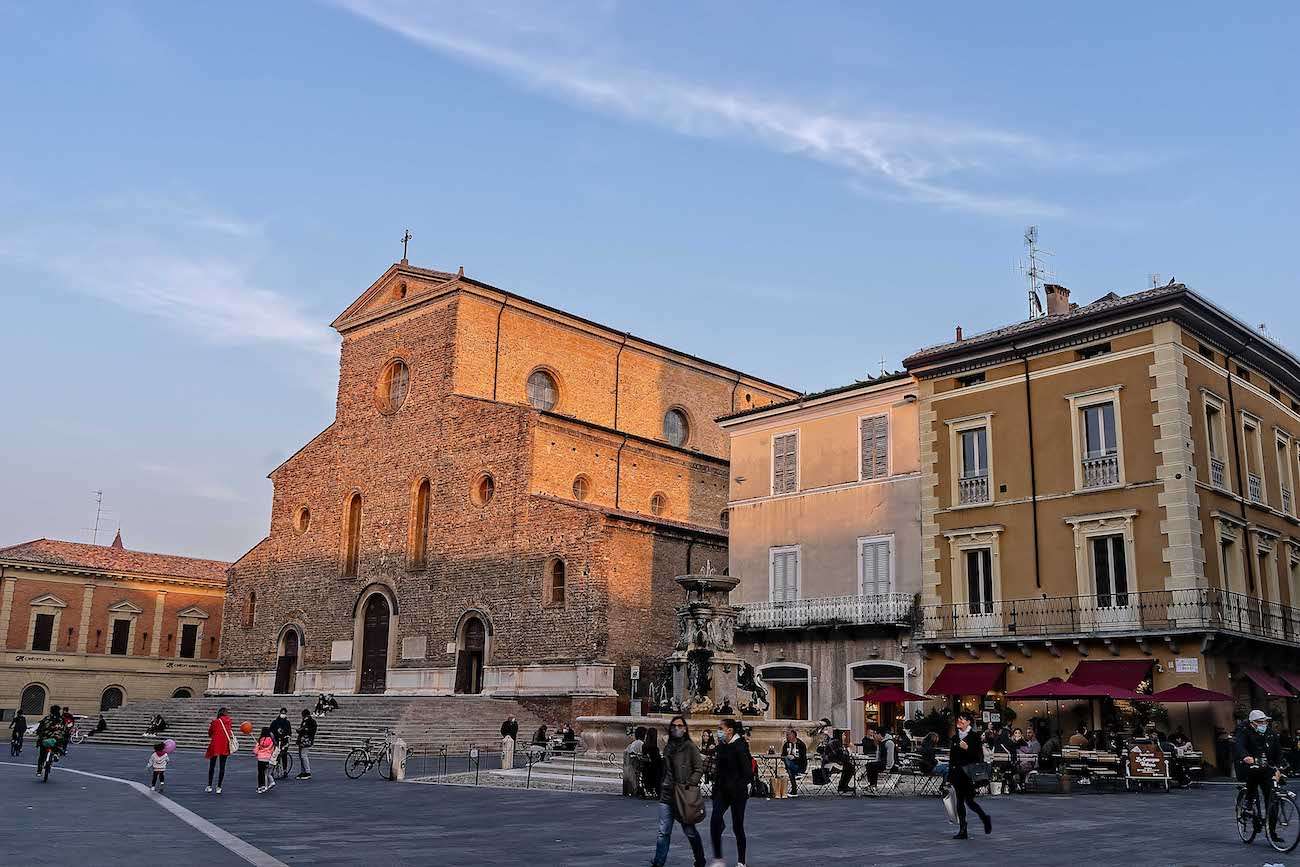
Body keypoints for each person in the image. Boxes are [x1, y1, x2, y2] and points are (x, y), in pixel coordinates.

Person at [651, 716, 706, 867]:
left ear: (685, 728)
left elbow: (699, 768)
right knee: (664, 831)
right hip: (667, 794)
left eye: (680, 726)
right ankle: (658, 862)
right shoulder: (668, 747)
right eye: (674, 726)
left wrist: (690, 783)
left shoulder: (690, 747)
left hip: (682, 794)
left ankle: (700, 860)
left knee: (689, 831)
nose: (676, 728)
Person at [708, 718, 752, 867]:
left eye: (720, 728)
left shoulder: (740, 746)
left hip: (737, 793)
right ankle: (718, 858)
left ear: (730, 730)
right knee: (715, 820)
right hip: (722, 791)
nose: (718, 731)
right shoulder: (722, 746)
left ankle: (741, 861)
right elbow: (718, 769)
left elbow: (747, 772)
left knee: (737, 826)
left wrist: (738, 786)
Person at [1235, 708, 1283, 838]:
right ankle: (1249, 801)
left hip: (1266, 767)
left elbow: (1278, 752)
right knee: (1253, 773)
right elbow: (1239, 745)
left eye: (1265, 721)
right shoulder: (1244, 731)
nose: (1263, 724)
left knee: (1272, 798)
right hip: (1250, 765)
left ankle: (1271, 832)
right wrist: (1245, 756)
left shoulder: (1270, 733)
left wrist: (1278, 768)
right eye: (1260, 722)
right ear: (1252, 723)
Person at [948, 711, 992, 840]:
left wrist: (967, 748)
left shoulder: (974, 736)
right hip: (958, 774)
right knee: (960, 801)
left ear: (968, 722)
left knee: (970, 801)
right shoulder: (955, 737)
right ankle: (963, 829)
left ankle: (984, 818)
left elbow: (978, 756)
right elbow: (952, 758)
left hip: (969, 774)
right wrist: (949, 776)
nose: (959, 721)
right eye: (959, 718)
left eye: (962, 719)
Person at [205, 706, 234, 794]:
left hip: (215, 745)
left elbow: (210, 733)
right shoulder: (229, 722)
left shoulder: (215, 722)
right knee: (222, 767)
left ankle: (209, 786)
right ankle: (219, 787)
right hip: (225, 746)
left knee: (212, 766)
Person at [34, 704, 68, 778]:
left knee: (41, 756)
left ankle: (39, 771)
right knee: (59, 744)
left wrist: (38, 733)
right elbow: (65, 730)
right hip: (56, 739)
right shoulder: (61, 719)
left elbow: (40, 728)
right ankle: (56, 754)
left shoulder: (46, 719)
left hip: (45, 738)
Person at [780, 728, 807, 797]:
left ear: (794, 736)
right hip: (790, 764)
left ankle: (794, 790)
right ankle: (794, 790)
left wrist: (794, 758)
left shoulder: (801, 744)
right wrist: (787, 757)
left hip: (800, 766)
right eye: (787, 735)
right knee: (787, 762)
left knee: (790, 771)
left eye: (789, 735)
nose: (787, 737)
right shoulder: (786, 744)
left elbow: (803, 758)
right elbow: (782, 756)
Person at [269, 707, 292, 777]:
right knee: (275, 756)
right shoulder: (275, 722)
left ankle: (285, 770)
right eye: (282, 713)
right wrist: (273, 740)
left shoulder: (287, 723)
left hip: (284, 742)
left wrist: (288, 741)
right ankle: (272, 770)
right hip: (275, 741)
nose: (283, 714)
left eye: (284, 713)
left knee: (284, 755)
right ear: (280, 713)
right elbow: (270, 731)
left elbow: (289, 733)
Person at [643, 727, 663, 800]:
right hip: (653, 769)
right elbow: (656, 759)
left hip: (647, 768)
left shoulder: (644, 746)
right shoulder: (654, 748)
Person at [296, 708, 316, 780]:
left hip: (307, 740)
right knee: (301, 756)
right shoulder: (305, 721)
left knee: (304, 755)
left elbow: (312, 731)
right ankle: (303, 771)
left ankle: (308, 772)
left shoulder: (311, 721)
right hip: (302, 740)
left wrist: (304, 730)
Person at [255, 726, 276, 793]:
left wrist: (257, 753)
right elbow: (273, 750)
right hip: (268, 758)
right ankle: (266, 786)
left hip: (260, 758)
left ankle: (260, 786)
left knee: (260, 773)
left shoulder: (261, 740)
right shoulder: (271, 741)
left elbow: (255, 750)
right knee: (266, 773)